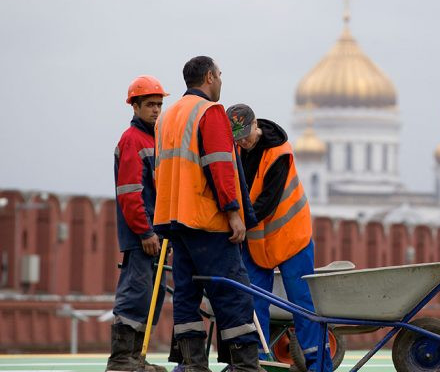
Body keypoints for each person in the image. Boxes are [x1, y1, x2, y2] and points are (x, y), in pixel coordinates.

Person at [153, 56, 263, 371]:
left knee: (186, 294)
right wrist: (233, 213)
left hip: (174, 220)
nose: (221, 80)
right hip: (207, 220)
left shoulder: (167, 116)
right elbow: (220, 167)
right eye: (220, 74)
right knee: (232, 290)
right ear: (210, 77)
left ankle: (193, 364)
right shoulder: (209, 112)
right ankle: (245, 365)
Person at [225, 104, 332, 372]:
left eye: (245, 136)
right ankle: (259, 363)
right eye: (237, 138)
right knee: (253, 301)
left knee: (302, 304)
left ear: (255, 125)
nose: (243, 142)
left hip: (291, 237)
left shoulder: (279, 153)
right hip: (258, 239)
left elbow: (267, 202)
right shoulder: (236, 151)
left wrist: (238, 222)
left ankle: (318, 365)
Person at [108, 75, 169, 372]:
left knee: (152, 296)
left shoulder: (156, 139)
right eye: (150, 105)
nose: (156, 110)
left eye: (159, 104)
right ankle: (122, 359)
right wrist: (145, 231)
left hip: (157, 234)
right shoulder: (132, 139)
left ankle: (137, 358)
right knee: (136, 293)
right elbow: (130, 193)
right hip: (142, 236)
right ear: (135, 106)